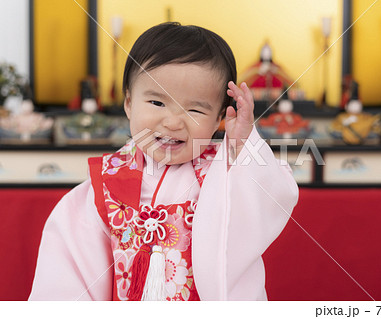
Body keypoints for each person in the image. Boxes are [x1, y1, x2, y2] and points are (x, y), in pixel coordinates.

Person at [29, 22, 298, 301]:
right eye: (157, 103)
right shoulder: (106, 183)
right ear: (129, 103)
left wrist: (243, 140)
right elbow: (71, 267)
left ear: (219, 118)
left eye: (194, 110)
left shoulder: (226, 172)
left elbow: (273, 193)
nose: (172, 122)